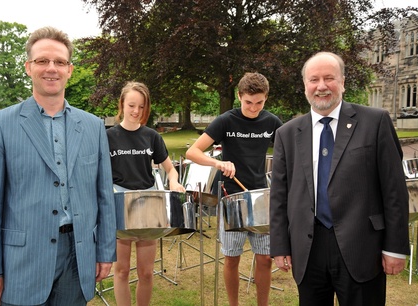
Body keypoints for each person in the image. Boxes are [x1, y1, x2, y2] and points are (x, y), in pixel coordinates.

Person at [0, 26, 117, 306]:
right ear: (29, 67)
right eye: (42, 61)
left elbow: (104, 196)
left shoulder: (93, 126)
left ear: (70, 70)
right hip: (22, 261)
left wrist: (105, 251)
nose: (51, 68)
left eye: (60, 62)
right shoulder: (0, 125)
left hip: (77, 258)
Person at [269, 51, 410, 306]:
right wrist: (280, 245)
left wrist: (395, 247)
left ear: (342, 82)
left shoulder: (375, 122)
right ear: (305, 86)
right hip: (308, 250)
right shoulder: (287, 134)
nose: (321, 86)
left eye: (329, 78)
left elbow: (394, 190)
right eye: (314, 80)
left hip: (362, 247)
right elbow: (279, 195)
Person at [186, 72, 283, 306]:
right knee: (231, 259)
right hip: (231, 198)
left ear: (266, 98)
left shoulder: (271, 122)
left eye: (259, 102)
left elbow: (291, 151)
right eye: (248, 102)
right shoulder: (226, 121)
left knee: (264, 260)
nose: (253, 108)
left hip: (259, 199)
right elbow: (193, 152)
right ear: (239, 96)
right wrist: (218, 162)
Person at [107, 81, 185, 306]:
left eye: (141, 107)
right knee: (121, 271)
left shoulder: (152, 136)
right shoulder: (109, 137)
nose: (136, 111)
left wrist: (174, 182)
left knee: (147, 273)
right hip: (120, 205)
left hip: (147, 206)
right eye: (131, 105)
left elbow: (170, 168)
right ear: (122, 104)